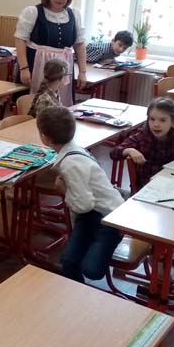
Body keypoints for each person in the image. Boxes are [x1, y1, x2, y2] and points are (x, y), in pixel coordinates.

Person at [36, 107, 124, 283]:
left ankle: (111, 239)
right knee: (68, 261)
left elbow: (84, 205)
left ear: (45, 138)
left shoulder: (70, 163)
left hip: (108, 219)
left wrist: (63, 190)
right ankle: (77, 290)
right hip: (90, 216)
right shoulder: (73, 150)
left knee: (92, 270)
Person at [14, 0, 87, 106]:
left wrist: (82, 72)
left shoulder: (75, 14)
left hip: (64, 65)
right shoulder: (33, 12)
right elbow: (20, 40)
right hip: (36, 63)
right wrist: (24, 68)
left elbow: (79, 44)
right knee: (34, 102)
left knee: (61, 103)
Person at [111, 97, 174, 190]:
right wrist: (129, 150)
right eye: (152, 119)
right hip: (145, 188)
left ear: (173, 123)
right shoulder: (141, 137)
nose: (156, 124)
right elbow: (114, 153)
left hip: (169, 184)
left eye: (162, 120)